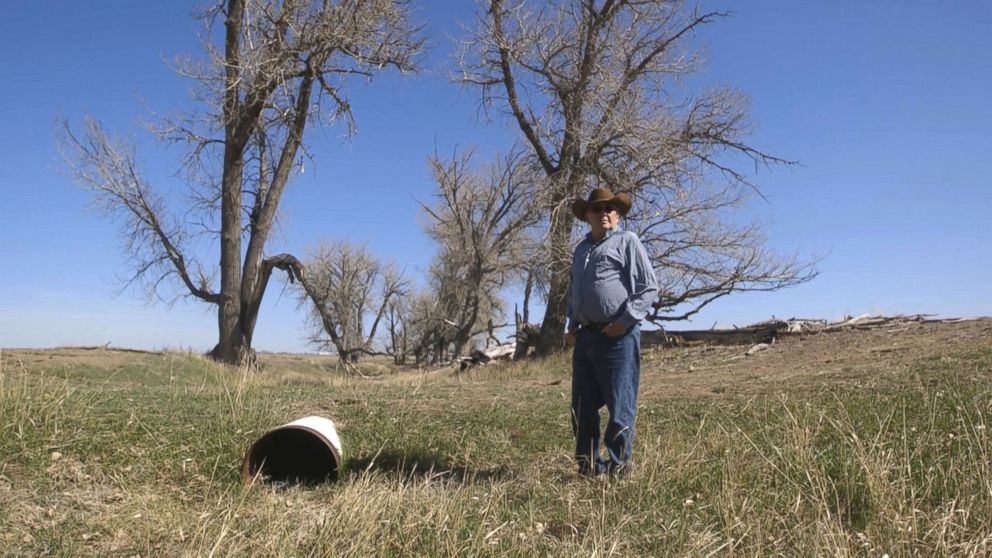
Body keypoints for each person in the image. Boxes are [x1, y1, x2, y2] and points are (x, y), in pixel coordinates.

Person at [565, 187, 659, 478]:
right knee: (582, 408)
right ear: (587, 216)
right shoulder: (581, 250)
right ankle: (590, 469)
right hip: (585, 338)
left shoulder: (627, 242)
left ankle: (620, 469)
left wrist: (624, 321)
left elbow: (649, 287)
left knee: (620, 406)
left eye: (610, 209)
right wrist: (571, 325)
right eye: (598, 209)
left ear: (617, 214)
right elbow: (574, 291)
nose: (604, 213)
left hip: (617, 336)